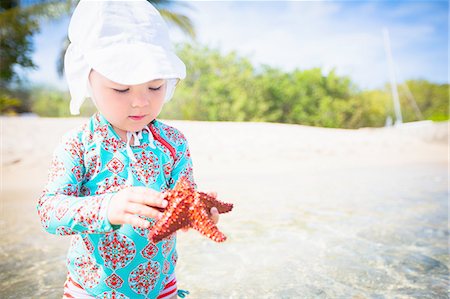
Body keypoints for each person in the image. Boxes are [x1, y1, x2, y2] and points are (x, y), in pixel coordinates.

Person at [36, 1, 219, 298]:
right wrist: (106, 208)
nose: (140, 102)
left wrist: (201, 213)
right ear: (87, 79)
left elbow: (185, 197)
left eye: (155, 86)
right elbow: (48, 211)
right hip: (91, 289)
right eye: (121, 89)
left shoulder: (174, 142)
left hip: (161, 285)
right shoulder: (78, 144)